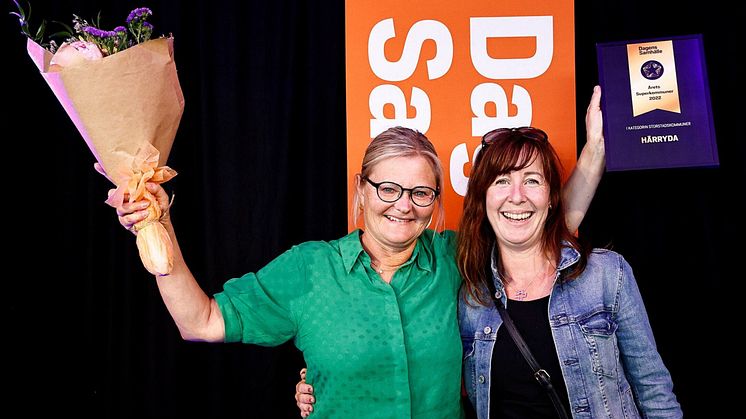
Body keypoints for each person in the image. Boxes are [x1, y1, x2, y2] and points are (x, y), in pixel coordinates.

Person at [295, 88, 611, 418]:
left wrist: (595, 151)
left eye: (418, 193)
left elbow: (546, 225)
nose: (403, 206)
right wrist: (325, 375)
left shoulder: (451, 255)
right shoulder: (317, 266)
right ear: (362, 188)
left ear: (433, 198)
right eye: (388, 189)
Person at [456, 126, 682, 418]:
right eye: (501, 181)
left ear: (551, 198)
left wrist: (596, 146)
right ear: (483, 198)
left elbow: (654, 390)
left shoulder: (606, 274)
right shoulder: (469, 293)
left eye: (532, 180)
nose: (517, 196)